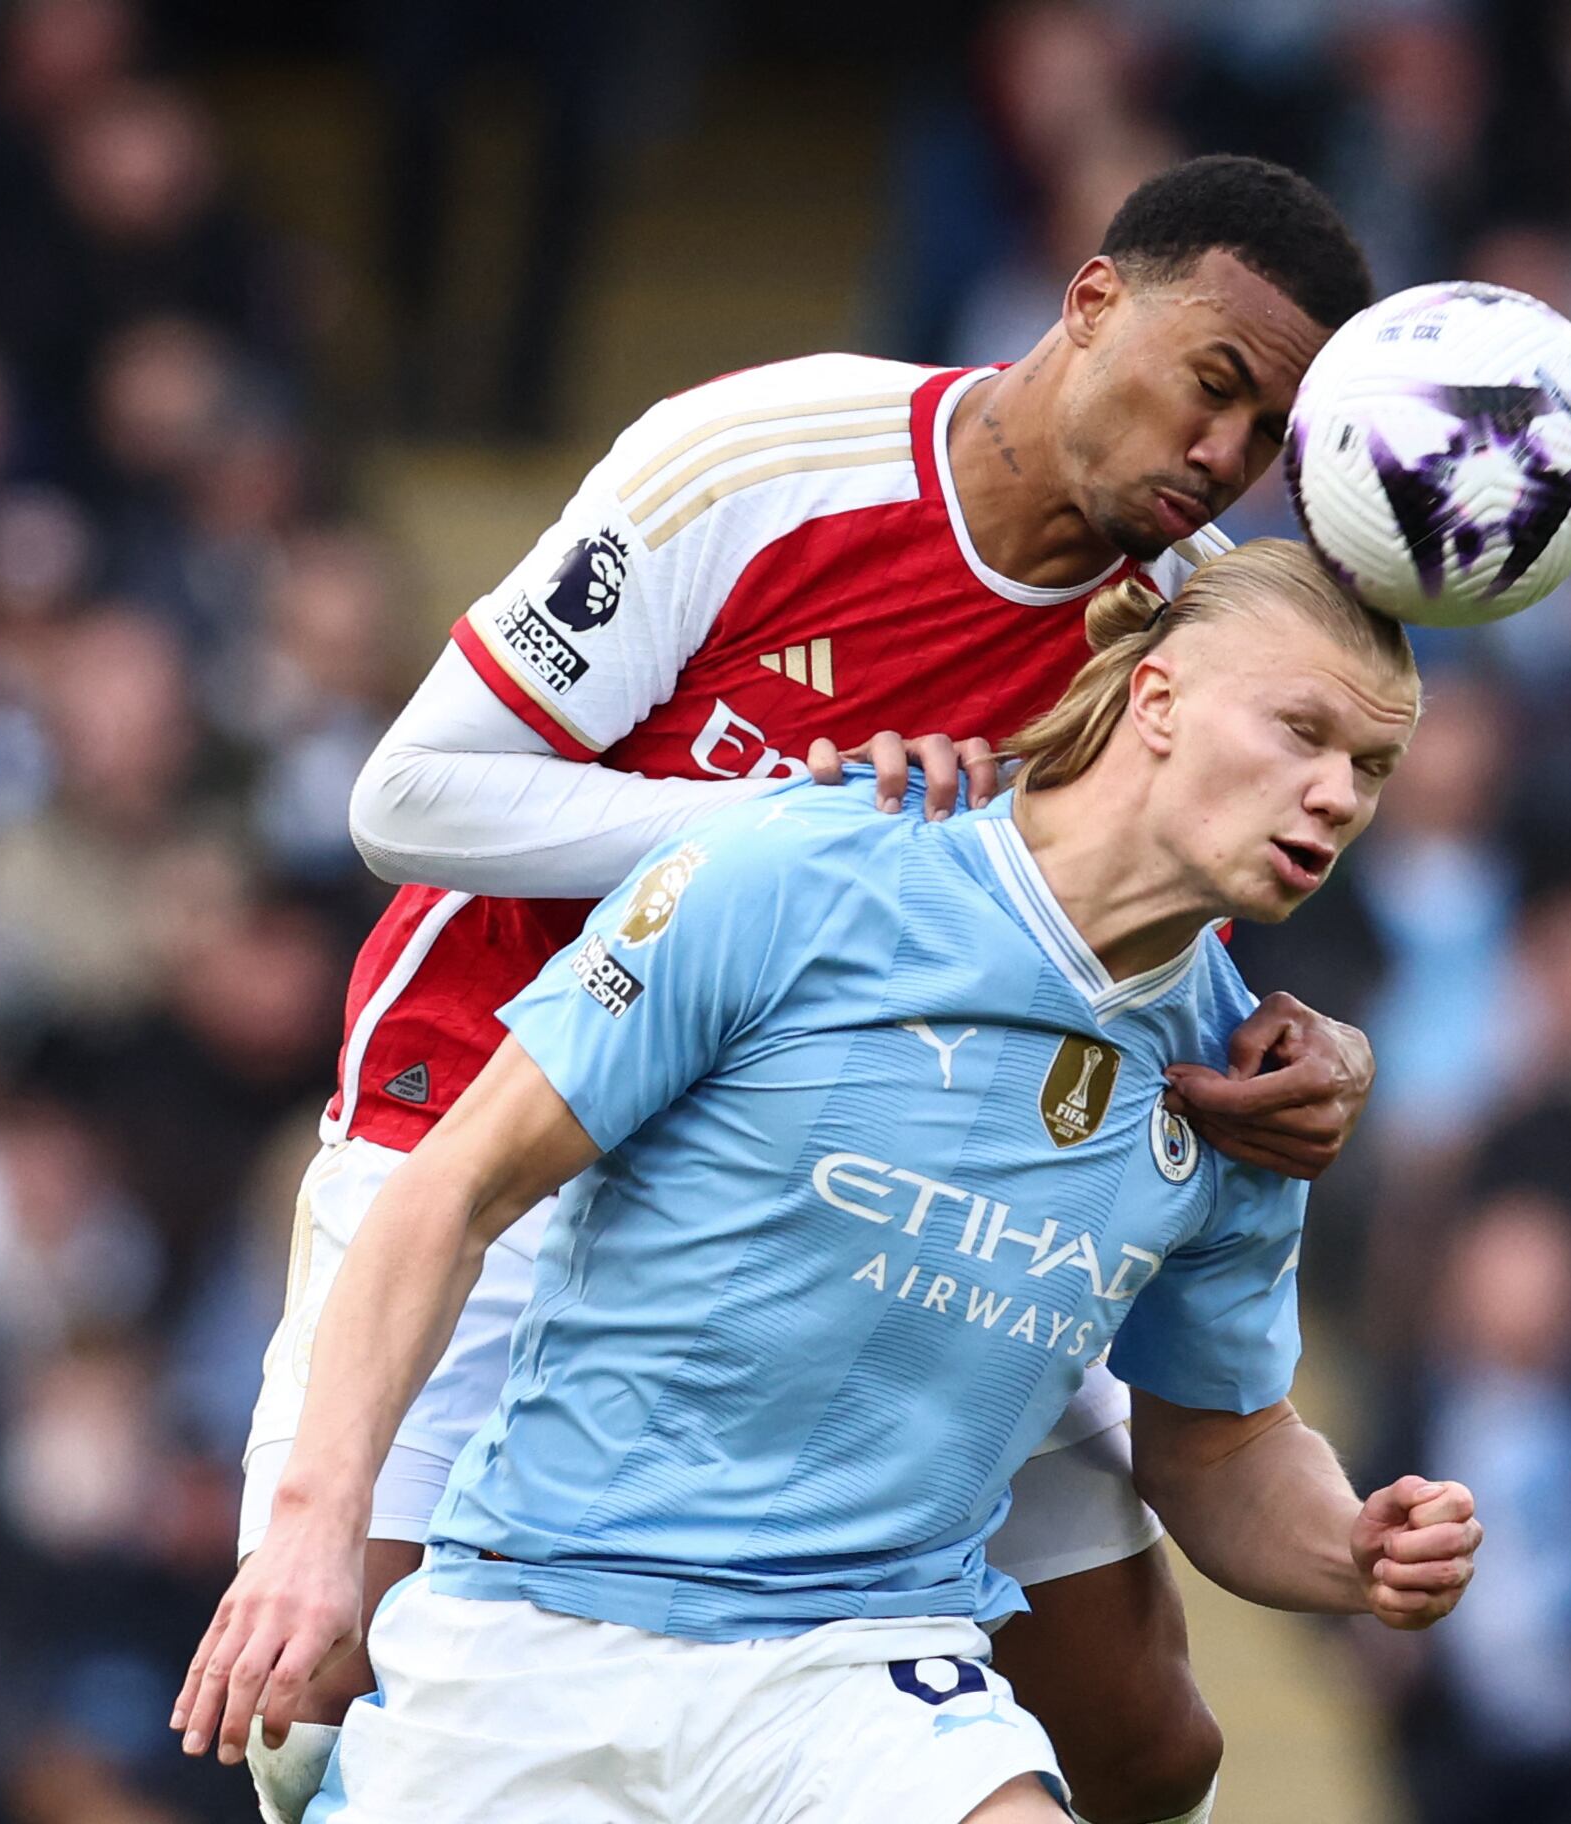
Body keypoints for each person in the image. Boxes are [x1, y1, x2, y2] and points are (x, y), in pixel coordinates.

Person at [231, 152, 1382, 1824]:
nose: (1223, 457)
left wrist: (1301, 1037)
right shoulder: (773, 456)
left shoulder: (1165, 630)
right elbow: (405, 800)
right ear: (1091, 302)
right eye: (1214, 385)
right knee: (318, 1704)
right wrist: (797, 814)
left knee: (1147, 1741)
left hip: (833, 1160)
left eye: (1266, 436)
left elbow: (1113, 890)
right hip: (492, 1112)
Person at [176, 540, 1481, 1823]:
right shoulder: (807, 872)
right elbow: (452, 1188)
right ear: (1157, 699)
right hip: (545, 1633)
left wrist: (1352, 1550)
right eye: (1300, 732)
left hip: (861, 1666)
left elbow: (1225, 1443)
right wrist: (310, 1531)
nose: (1334, 795)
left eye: (1369, 767)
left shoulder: (1250, 1085)